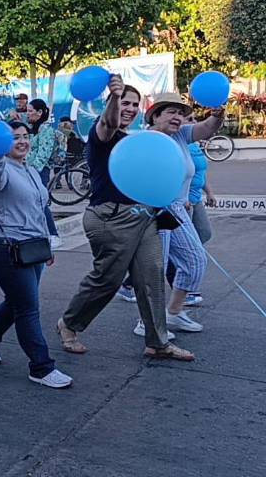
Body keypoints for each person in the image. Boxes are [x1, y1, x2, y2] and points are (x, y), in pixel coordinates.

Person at [56, 77, 195, 361]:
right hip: (110, 217)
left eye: (134, 104)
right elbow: (108, 122)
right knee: (107, 280)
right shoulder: (102, 134)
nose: (129, 108)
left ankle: (157, 342)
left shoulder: (135, 140)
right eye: (124, 103)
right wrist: (114, 97)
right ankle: (68, 324)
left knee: (152, 276)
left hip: (144, 216)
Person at [0, 121, 73, 389]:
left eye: (26, 136)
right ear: (3, 143)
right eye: (15, 138)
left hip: (33, 246)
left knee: (18, 301)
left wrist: (47, 242)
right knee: (27, 307)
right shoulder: (0, 168)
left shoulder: (31, 170)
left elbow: (40, 209)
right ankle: (41, 367)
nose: (23, 141)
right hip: (6, 247)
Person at [145, 93, 223, 333]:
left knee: (195, 260)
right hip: (153, 211)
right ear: (155, 116)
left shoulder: (180, 135)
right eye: (171, 112)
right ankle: (148, 323)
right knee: (155, 269)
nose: (177, 117)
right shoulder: (145, 141)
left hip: (178, 208)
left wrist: (218, 115)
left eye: (180, 113)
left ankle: (174, 312)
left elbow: (207, 128)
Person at [25, 99, 60, 243]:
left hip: (39, 172)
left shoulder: (46, 130)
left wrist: (32, 171)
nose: (27, 114)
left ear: (39, 112)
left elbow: (43, 154)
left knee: (40, 202)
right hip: (27, 170)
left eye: (30, 111)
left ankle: (53, 234)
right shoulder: (31, 130)